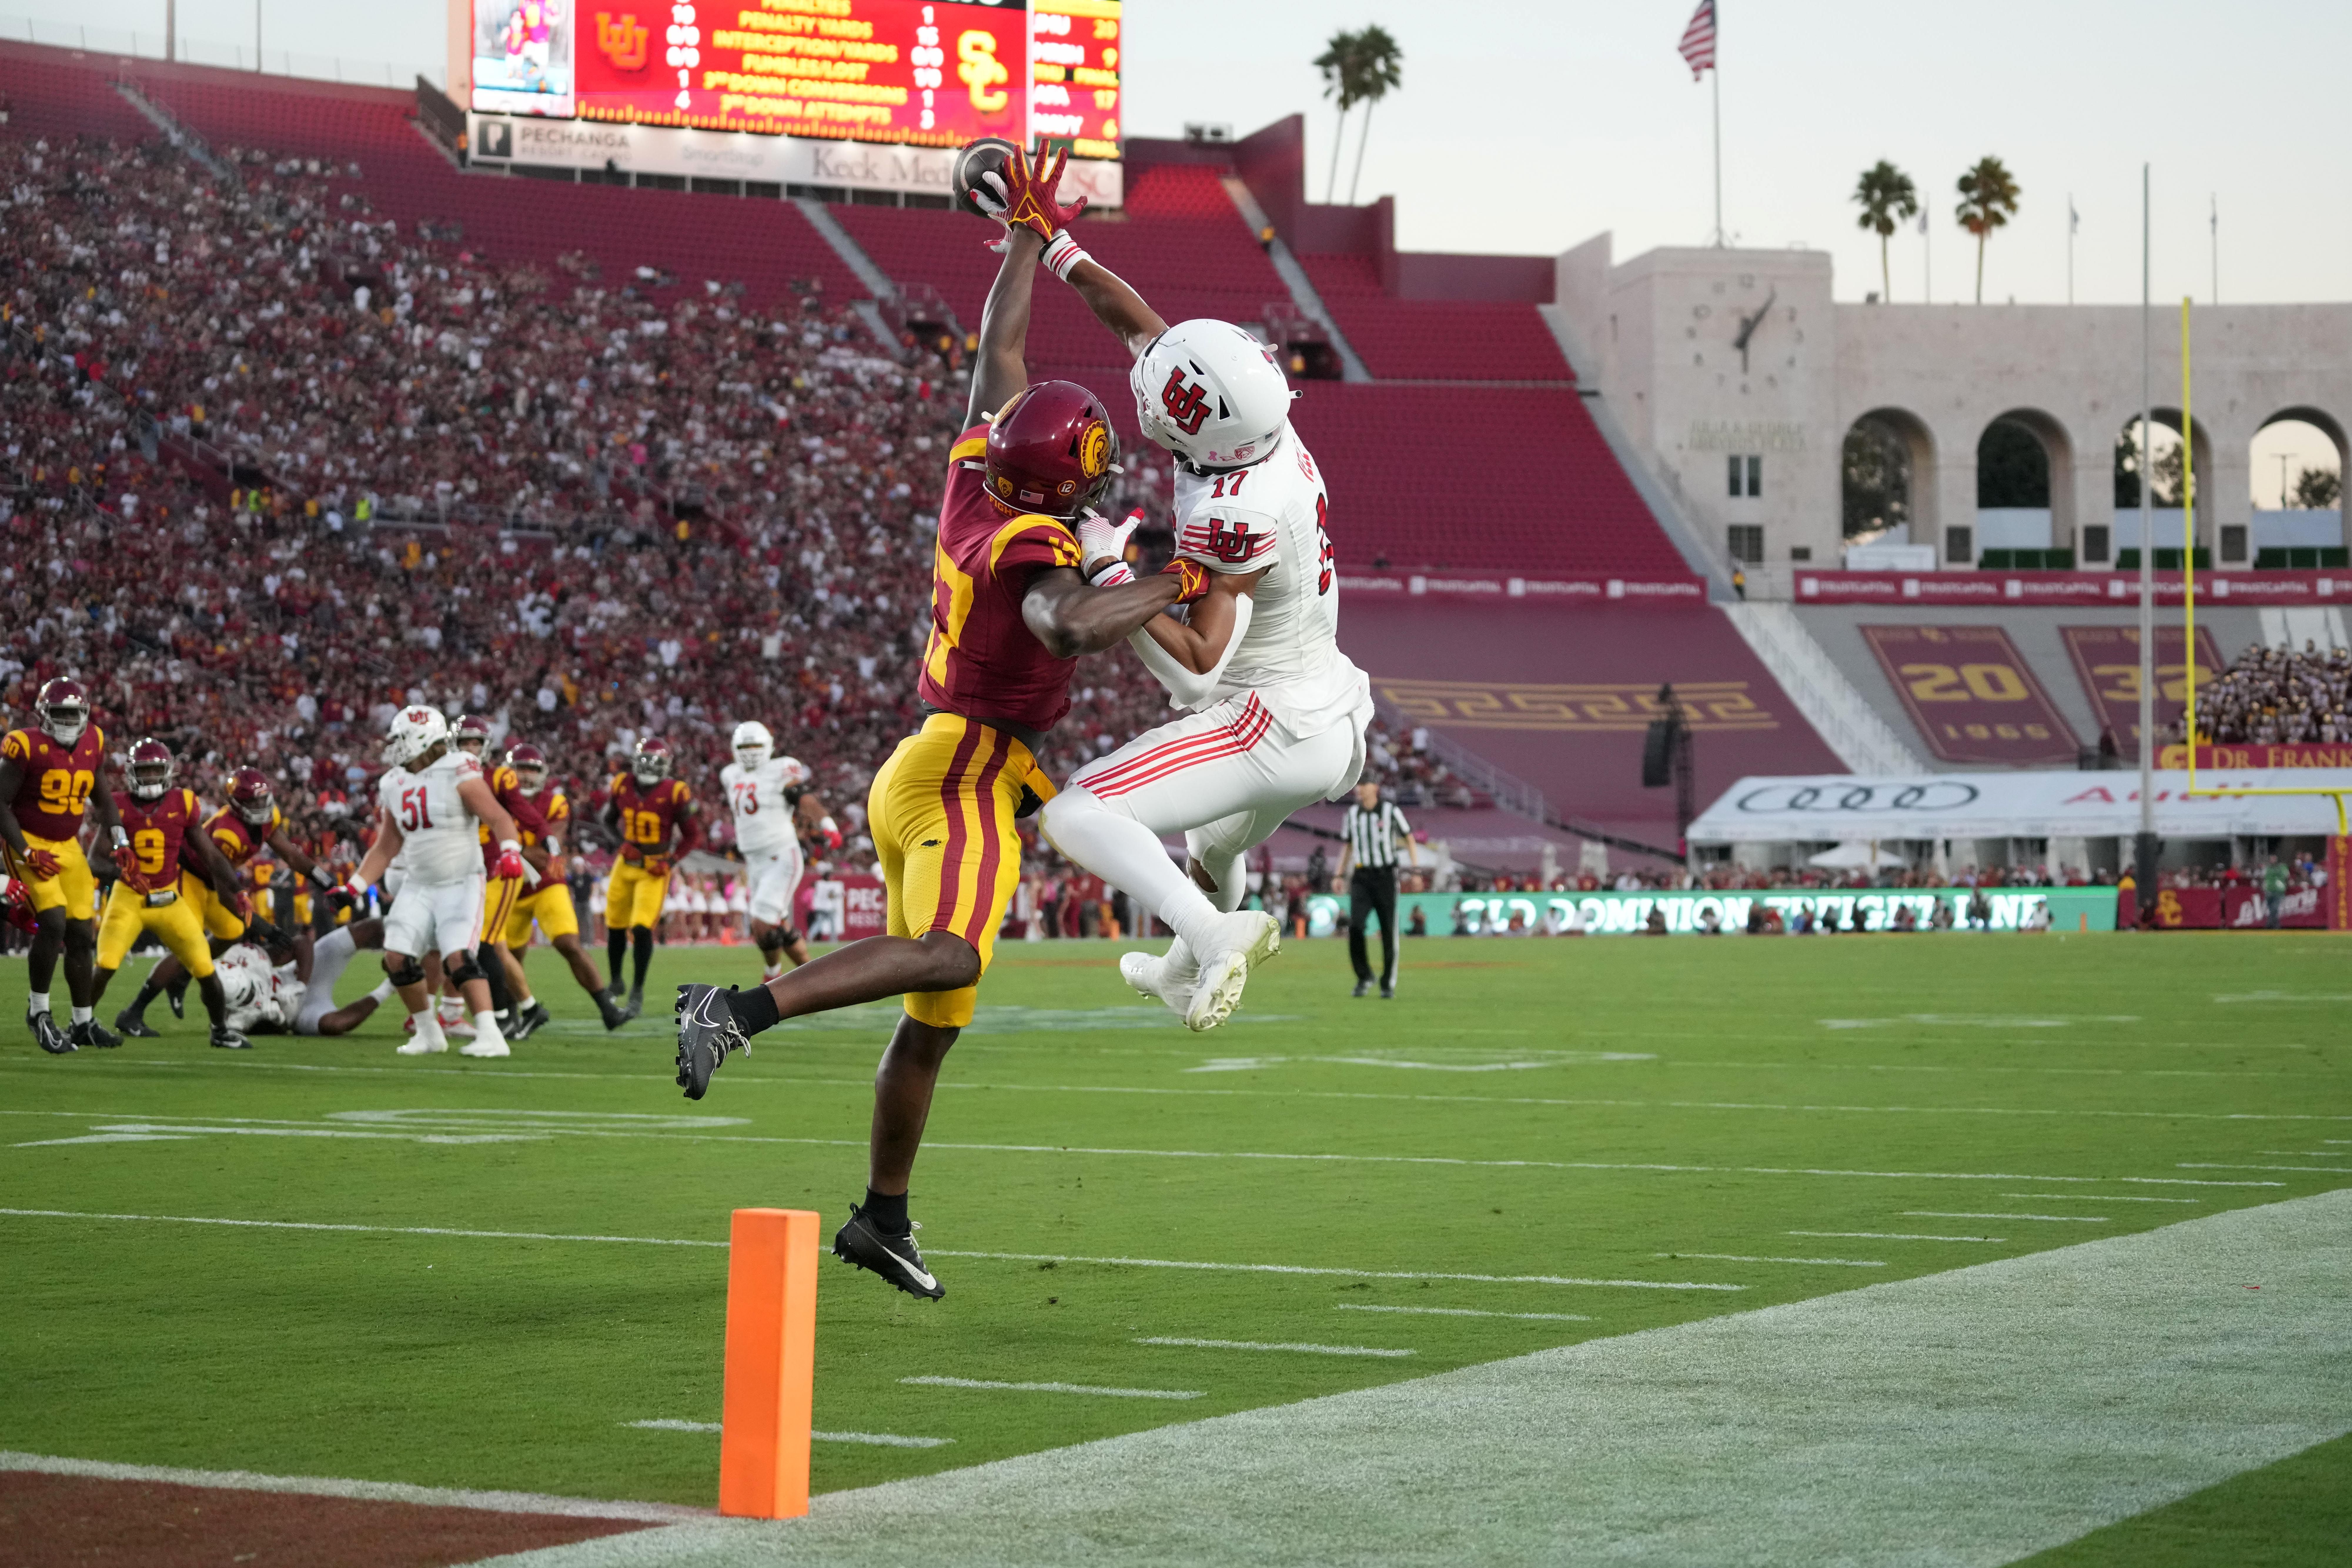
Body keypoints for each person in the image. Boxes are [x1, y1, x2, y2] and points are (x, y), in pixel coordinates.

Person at [672, 151, 1201, 1302]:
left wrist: (1022, 235)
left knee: (933, 1017)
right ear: (1059, 483)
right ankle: (735, 1008)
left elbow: (993, 363)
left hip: (946, 761)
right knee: (949, 958)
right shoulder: (1032, 549)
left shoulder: (980, 478)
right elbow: (1064, 623)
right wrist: (1172, 583)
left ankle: (881, 1215)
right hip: (960, 771)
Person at [1001, 162, 1373, 1032]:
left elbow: (1197, 671)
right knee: (1214, 844)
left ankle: (1211, 936)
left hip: (1271, 715)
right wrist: (1054, 244)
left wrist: (1111, 573)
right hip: (1323, 704)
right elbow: (1145, 329)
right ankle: (1177, 971)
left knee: (1080, 811)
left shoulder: (1237, 507)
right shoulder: (1248, 424)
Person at [342, 706, 525, 1057]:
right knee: (396, 957)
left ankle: (490, 1035)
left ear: (422, 738)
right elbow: (386, 846)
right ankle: (428, 1032)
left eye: (401, 739)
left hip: (461, 881)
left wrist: (511, 852)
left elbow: (498, 817)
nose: (394, 747)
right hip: (419, 884)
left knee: (459, 956)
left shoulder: (458, 769)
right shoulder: (394, 781)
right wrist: (354, 887)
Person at [116, 766, 337, 1037]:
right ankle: (133, 1012)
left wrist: (326, 882)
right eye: (253, 801)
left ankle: (184, 977)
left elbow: (291, 855)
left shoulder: (268, 818)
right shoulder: (228, 833)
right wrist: (265, 928)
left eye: (262, 799)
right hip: (191, 876)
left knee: (230, 932)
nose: (260, 805)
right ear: (237, 803)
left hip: (213, 881)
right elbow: (227, 895)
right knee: (190, 943)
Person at [87, 739, 253, 1049]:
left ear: (167, 773)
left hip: (168, 896)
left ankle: (220, 1031)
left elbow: (212, 856)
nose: (150, 778)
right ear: (132, 774)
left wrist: (237, 889)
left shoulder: (183, 803)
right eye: (144, 772)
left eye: (155, 772)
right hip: (129, 897)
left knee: (205, 967)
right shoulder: (118, 805)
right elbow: (95, 861)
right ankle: (80, 1023)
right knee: (106, 964)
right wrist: (123, 872)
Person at [0, 678, 134, 1052]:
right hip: (30, 843)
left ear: (84, 714)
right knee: (54, 921)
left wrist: (121, 841)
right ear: (43, 714)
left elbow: (105, 799)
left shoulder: (93, 740)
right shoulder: (24, 744)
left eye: (71, 713)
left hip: (69, 847)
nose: (65, 720)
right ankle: (39, 1012)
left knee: (81, 934)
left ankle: (83, 1021)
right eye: (58, 713)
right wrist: (26, 851)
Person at [499, 743, 628, 1029]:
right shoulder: (496, 800)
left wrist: (507, 843)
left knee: (568, 943)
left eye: (533, 770)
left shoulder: (554, 803)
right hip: (509, 888)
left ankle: (608, 1009)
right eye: (521, 769)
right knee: (509, 956)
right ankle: (511, 1018)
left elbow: (547, 856)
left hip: (546, 884)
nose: (527, 776)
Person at [720, 720, 839, 982]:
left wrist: (826, 823)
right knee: (781, 929)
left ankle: (772, 977)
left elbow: (800, 796)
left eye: (755, 745)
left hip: (781, 855)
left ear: (768, 747)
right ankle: (816, 981)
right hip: (754, 861)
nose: (750, 751)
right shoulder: (730, 774)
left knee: (762, 924)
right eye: (744, 746)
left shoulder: (780, 769)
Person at [453, 714, 549, 1036]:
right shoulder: (444, 775)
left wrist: (547, 836)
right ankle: (530, 1009)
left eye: (475, 743)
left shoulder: (498, 778)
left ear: (485, 746)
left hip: (497, 872)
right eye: (464, 742)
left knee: (486, 946)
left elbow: (522, 809)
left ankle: (503, 1014)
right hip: (467, 872)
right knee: (493, 947)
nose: (469, 748)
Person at [601, 735, 698, 1019]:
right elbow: (608, 821)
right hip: (626, 863)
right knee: (615, 924)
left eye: (655, 762)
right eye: (645, 760)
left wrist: (670, 860)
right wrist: (620, 842)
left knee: (642, 927)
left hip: (654, 867)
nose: (649, 766)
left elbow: (692, 835)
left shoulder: (676, 791)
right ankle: (616, 980)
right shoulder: (622, 784)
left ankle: (637, 990)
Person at [217, 918, 400, 1038]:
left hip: (299, 975)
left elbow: (302, 943)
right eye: (248, 997)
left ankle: (411, 939)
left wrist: (301, 983)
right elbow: (278, 1029)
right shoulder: (234, 1018)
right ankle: (392, 984)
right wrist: (275, 1015)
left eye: (252, 990)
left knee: (368, 929)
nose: (255, 995)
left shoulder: (247, 960)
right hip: (300, 1011)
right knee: (333, 1025)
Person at [1336, 779, 1416, 998]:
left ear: (1375, 788)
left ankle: (1387, 983)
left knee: (1389, 930)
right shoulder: (1352, 815)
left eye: (1364, 785)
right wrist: (1339, 874)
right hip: (1361, 876)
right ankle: (1364, 976)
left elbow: (1409, 837)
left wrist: (1415, 868)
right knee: (1356, 926)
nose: (1359, 790)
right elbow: (1348, 846)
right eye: (1358, 786)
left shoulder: (1390, 811)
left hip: (1385, 877)